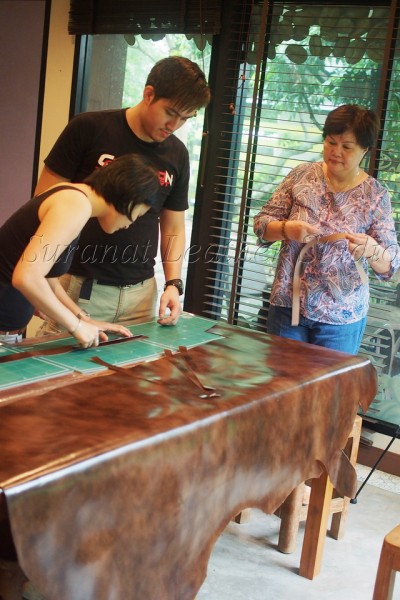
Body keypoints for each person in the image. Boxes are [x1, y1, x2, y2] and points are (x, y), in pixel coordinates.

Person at [34, 56, 211, 335]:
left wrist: (173, 284)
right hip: (80, 285)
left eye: (185, 118)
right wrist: (43, 277)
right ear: (149, 94)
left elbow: (173, 226)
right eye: (170, 113)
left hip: (142, 294)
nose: (174, 125)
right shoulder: (89, 128)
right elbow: (44, 201)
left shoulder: (177, 153)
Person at [254, 104, 400, 355]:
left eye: (347, 147)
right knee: (283, 377)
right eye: (331, 142)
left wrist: (372, 250)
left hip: (341, 316)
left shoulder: (375, 195)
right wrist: (287, 229)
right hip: (288, 304)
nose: (335, 152)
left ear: (365, 149)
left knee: (331, 381)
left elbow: (390, 266)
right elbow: (261, 225)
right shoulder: (301, 176)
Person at [0, 153, 160, 348]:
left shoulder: (74, 197)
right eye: (137, 215)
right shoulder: (75, 205)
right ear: (128, 199)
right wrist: (75, 326)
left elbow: (47, 277)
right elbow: (27, 277)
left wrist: (83, 318)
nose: (130, 225)